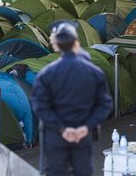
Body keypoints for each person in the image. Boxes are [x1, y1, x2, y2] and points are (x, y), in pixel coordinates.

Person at [31, 22, 112, 176]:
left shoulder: (46, 74)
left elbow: (40, 106)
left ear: (58, 46)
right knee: (83, 171)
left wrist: (62, 128)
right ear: (76, 43)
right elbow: (104, 105)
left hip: (56, 136)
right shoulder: (95, 72)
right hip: (83, 136)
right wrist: (86, 127)